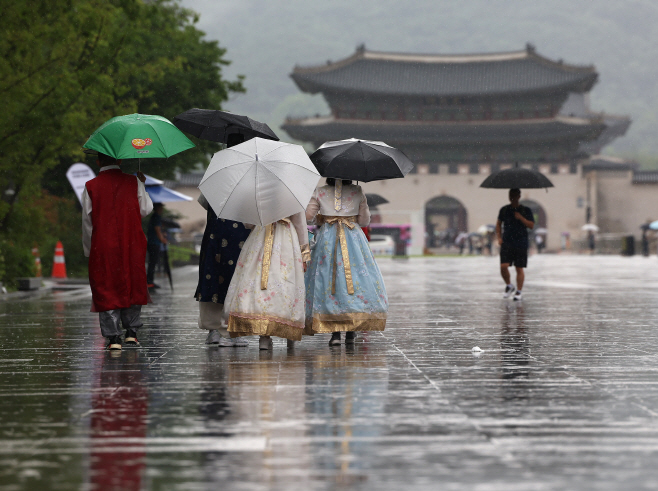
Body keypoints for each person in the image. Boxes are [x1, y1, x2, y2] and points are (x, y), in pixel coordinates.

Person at [82, 152, 153, 350]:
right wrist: (142, 184)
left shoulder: (91, 186)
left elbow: (87, 223)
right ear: (120, 160)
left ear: (98, 162)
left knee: (107, 286)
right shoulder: (133, 182)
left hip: (103, 243)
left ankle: (113, 337)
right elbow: (145, 210)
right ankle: (131, 332)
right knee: (132, 282)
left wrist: (89, 249)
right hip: (131, 241)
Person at [305, 178, 388, 346]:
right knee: (356, 279)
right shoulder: (357, 191)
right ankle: (351, 330)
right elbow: (364, 221)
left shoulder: (320, 191)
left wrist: (323, 218)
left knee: (329, 280)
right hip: (353, 240)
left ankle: (335, 332)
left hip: (328, 240)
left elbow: (308, 217)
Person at [195, 134, 252, 347]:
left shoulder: (216, 166)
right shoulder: (250, 170)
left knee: (212, 275)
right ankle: (233, 330)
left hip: (216, 231)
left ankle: (213, 330)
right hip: (241, 233)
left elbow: (203, 201)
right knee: (238, 278)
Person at [223, 212, 311, 350]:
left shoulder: (259, 191)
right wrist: (304, 255)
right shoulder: (291, 193)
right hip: (286, 238)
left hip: (261, 238)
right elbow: (300, 225)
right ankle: (288, 332)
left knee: (259, 284)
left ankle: (265, 336)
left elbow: (248, 223)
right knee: (285, 285)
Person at [496, 188, 534, 301]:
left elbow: (531, 225)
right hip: (507, 241)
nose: (512, 197)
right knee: (503, 266)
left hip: (521, 242)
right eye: (510, 195)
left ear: (519, 196)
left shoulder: (526, 210)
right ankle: (509, 285)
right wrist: (499, 237)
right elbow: (498, 224)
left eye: (514, 195)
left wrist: (521, 218)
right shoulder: (504, 210)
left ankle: (519, 291)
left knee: (519, 268)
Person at [146, 203, 167, 289]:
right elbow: (157, 230)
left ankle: (150, 280)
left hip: (152, 242)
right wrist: (163, 239)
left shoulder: (154, 217)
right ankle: (149, 281)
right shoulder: (156, 217)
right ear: (158, 208)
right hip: (154, 243)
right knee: (152, 262)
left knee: (152, 262)